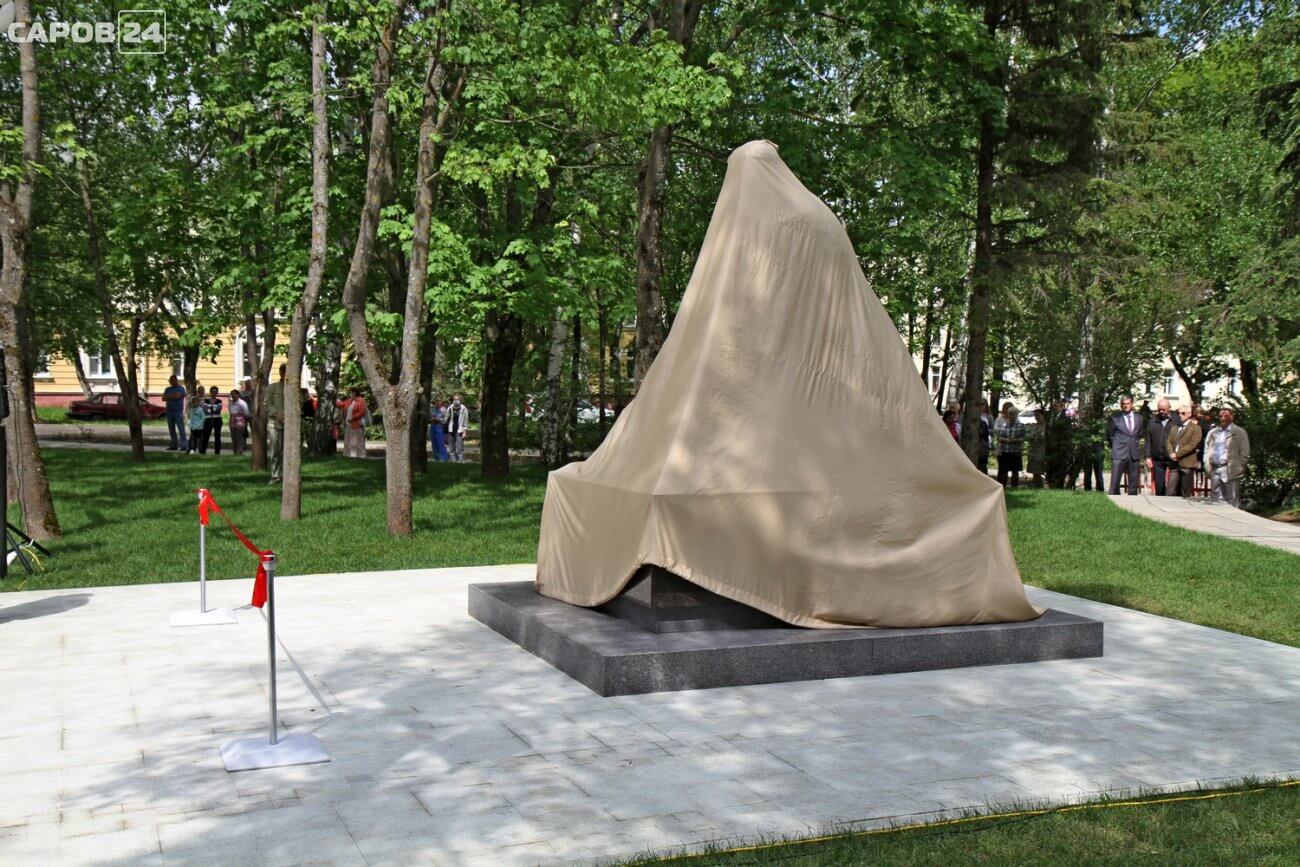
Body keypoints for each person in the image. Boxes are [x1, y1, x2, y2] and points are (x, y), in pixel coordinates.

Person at [1203, 408, 1250, 508]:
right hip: (1215, 469)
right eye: (1220, 416)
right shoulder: (1213, 432)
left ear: (1231, 417)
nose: (1222, 418)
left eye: (1225, 416)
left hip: (1230, 469)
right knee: (1215, 499)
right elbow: (1207, 449)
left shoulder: (1239, 432)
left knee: (1231, 499)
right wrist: (1206, 464)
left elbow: (1245, 452)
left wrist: (1240, 467)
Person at [1107, 395, 1143, 495]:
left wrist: (1134, 443)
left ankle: (1133, 501)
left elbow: (1140, 434)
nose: (1126, 406)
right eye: (1124, 404)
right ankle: (1113, 500)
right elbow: (1110, 435)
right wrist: (1117, 445)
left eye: (1128, 403)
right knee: (1115, 482)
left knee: (1134, 483)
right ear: (1121, 405)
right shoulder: (1115, 418)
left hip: (1133, 453)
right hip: (1119, 453)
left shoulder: (1139, 418)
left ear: (1132, 404)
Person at [1166, 405, 1203, 498]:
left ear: (1189, 414)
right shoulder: (1174, 427)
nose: (1180, 415)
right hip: (1174, 464)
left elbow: (1192, 445)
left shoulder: (1196, 428)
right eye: (1178, 413)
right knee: (1170, 490)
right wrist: (1171, 453)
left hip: (1187, 463)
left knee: (1185, 493)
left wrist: (1177, 454)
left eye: (1183, 413)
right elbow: (1168, 441)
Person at [1145, 398, 1177, 496]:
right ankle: (1160, 500)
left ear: (1169, 408)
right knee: (1159, 485)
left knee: (1173, 485)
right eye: (1159, 409)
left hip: (1173, 457)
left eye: (1164, 409)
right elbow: (1148, 440)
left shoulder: (1176, 421)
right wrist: (1148, 456)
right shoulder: (1152, 421)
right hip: (1158, 458)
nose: (1161, 411)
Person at [994, 402, 1025, 488]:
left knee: (1015, 470)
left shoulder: (1021, 426)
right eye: (1010, 414)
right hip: (1005, 450)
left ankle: (1014, 487)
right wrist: (1006, 440)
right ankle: (1002, 487)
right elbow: (999, 436)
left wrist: (1015, 440)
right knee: (1004, 470)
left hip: (1016, 451)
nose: (1012, 416)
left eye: (1014, 414)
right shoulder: (1004, 425)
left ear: (1017, 415)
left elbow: (1023, 437)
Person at [267, 364, 287, 483]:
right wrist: (276, 414)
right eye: (283, 371)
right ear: (280, 372)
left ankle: (286, 476)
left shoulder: (294, 388)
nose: (285, 374)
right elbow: (267, 403)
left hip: (289, 424)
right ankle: (275, 476)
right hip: (274, 424)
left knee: (287, 452)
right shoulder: (272, 387)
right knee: (275, 451)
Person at [335, 387, 369, 459]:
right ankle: (349, 454)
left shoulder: (361, 400)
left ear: (354, 393)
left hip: (357, 424)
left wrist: (353, 417)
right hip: (348, 424)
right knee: (349, 439)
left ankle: (360, 455)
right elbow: (340, 404)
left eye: (350, 392)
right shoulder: (349, 401)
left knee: (358, 440)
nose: (349, 394)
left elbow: (362, 412)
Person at [162, 375, 188, 451]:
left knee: (181, 429)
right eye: (170, 380)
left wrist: (169, 397)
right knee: (171, 430)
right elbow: (163, 398)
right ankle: (173, 445)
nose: (171, 381)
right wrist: (173, 396)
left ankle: (184, 445)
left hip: (178, 412)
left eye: (172, 380)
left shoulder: (181, 388)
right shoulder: (167, 389)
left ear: (176, 380)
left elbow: (178, 396)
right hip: (169, 412)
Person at [1027, 408, 1047, 487]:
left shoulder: (1046, 426)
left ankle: (1040, 485)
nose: (1036, 417)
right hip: (1033, 449)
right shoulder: (1034, 426)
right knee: (1034, 470)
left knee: (1039, 469)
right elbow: (1028, 436)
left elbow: (1044, 437)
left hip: (1041, 449)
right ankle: (1036, 485)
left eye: (1038, 415)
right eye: (1035, 415)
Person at [446, 393, 469, 462]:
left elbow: (466, 421)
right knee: (451, 447)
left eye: (457, 399)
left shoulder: (464, 409)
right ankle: (453, 461)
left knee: (459, 447)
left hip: (459, 430)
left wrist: (465, 432)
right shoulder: (450, 408)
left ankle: (460, 461)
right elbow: (446, 419)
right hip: (450, 430)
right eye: (454, 399)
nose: (456, 400)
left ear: (460, 400)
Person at [228, 388, 250, 455]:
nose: (232, 396)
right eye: (231, 394)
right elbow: (230, 412)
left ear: (238, 395)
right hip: (232, 421)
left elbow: (246, 413)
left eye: (234, 394)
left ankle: (240, 452)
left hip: (240, 422)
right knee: (233, 438)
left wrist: (244, 423)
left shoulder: (242, 403)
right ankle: (235, 453)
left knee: (239, 438)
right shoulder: (230, 403)